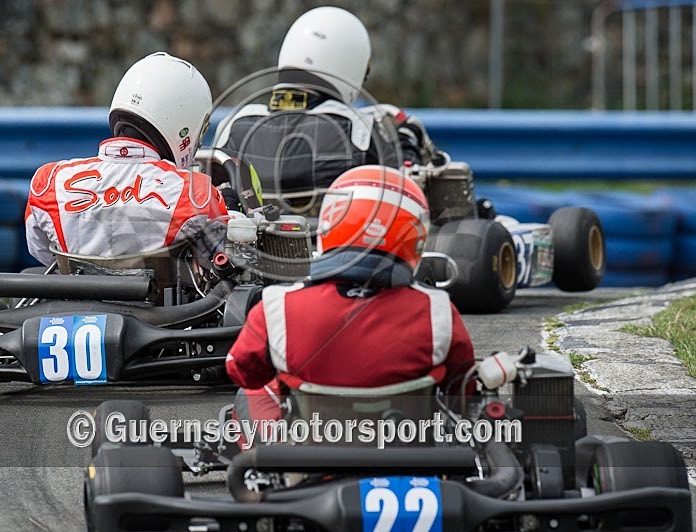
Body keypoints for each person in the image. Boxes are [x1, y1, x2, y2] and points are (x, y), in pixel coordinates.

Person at [225, 165, 476, 437]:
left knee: (253, 389)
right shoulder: (436, 309)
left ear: (330, 224)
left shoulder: (279, 305)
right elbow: (462, 392)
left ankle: (265, 468)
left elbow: (243, 372)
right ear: (413, 238)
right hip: (407, 453)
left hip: (309, 461)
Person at [213, 6, 446, 200]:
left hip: (247, 252)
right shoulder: (376, 126)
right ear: (354, 67)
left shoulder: (232, 126)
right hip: (340, 249)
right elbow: (415, 197)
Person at [25, 52, 230, 267]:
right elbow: (221, 258)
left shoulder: (48, 182)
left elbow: (42, 252)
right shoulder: (197, 194)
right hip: (160, 299)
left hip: (73, 298)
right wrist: (231, 205)